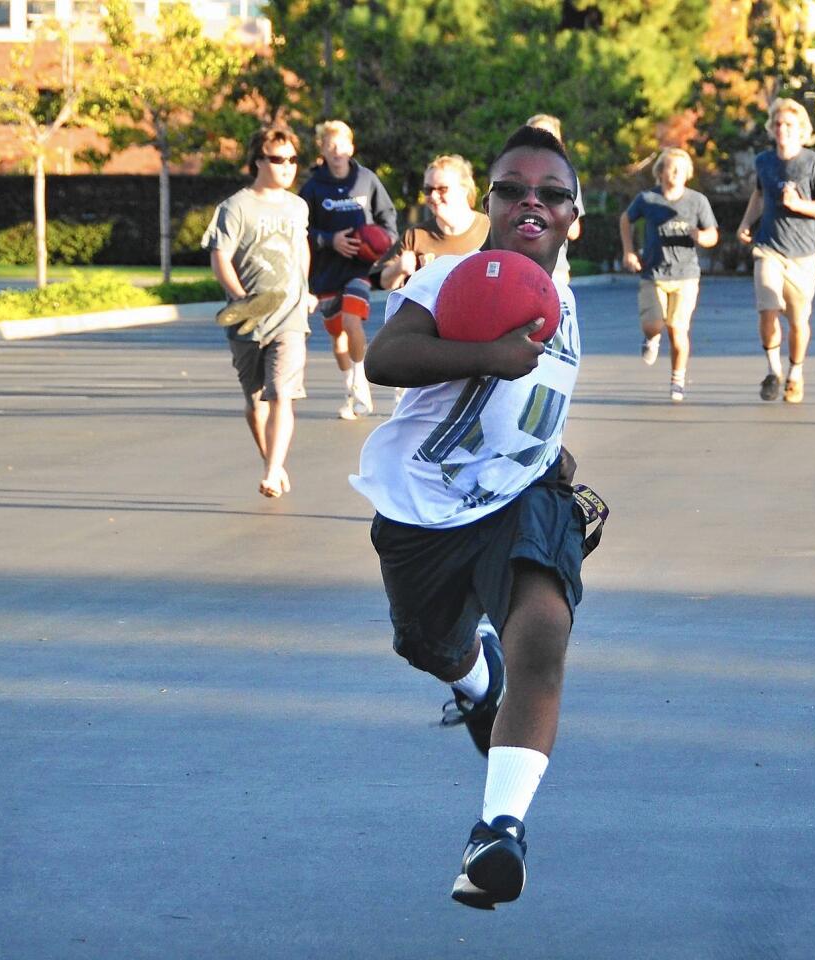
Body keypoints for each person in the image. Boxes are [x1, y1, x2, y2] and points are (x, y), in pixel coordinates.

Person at [350, 125, 594, 910]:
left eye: (551, 193)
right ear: (489, 202)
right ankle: (476, 679)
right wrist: (487, 354)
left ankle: (498, 831)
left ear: (573, 215)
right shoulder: (449, 279)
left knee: (546, 627)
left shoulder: (566, 297)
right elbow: (385, 361)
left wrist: (548, 455)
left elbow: (540, 397)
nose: (532, 203)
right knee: (428, 644)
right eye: (513, 189)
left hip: (518, 500)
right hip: (421, 512)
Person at [203, 125, 317, 498]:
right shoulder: (235, 207)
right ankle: (274, 461)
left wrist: (304, 290)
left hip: (289, 316)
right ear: (258, 161)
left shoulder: (297, 206)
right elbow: (220, 257)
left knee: (282, 392)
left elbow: (301, 249)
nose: (287, 167)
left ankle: (271, 471)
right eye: (278, 159)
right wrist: (239, 298)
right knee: (255, 401)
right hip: (248, 317)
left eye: (293, 160)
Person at [298, 120, 399, 420]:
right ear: (323, 151)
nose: (337, 151)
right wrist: (330, 240)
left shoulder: (366, 180)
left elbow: (387, 217)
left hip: (359, 269)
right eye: (330, 146)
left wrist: (384, 243)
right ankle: (349, 385)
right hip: (326, 271)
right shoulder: (314, 187)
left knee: (352, 322)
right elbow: (301, 228)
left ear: (351, 147)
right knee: (337, 336)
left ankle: (360, 383)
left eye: (342, 144)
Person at [737, 98, 815, 403]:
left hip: (803, 254)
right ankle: (773, 370)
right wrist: (745, 223)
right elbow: (758, 194)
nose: (782, 129)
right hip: (768, 247)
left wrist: (799, 205)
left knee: (798, 321)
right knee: (767, 308)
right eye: (778, 124)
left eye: (789, 125)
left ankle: (795, 373)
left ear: (801, 130)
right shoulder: (764, 162)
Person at [619, 147, 719, 402]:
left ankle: (678, 378)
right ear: (660, 172)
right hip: (654, 273)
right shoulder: (647, 199)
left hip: (686, 275)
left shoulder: (697, 201)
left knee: (677, 329)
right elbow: (625, 219)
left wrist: (701, 236)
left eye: (679, 169)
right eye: (669, 168)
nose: (674, 174)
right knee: (653, 324)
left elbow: (712, 235)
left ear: (687, 174)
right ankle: (651, 338)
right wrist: (629, 251)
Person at [379, 154, 490, 291]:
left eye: (442, 189)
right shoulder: (415, 236)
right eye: (428, 190)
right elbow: (382, 284)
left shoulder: (490, 228)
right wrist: (399, 268)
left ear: (464, 190)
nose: (433, 196)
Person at [526, 114, 583, 286]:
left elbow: (574, 231)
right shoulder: (510, 175)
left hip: (555, 270)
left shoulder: (568, 178)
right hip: (518, 268)